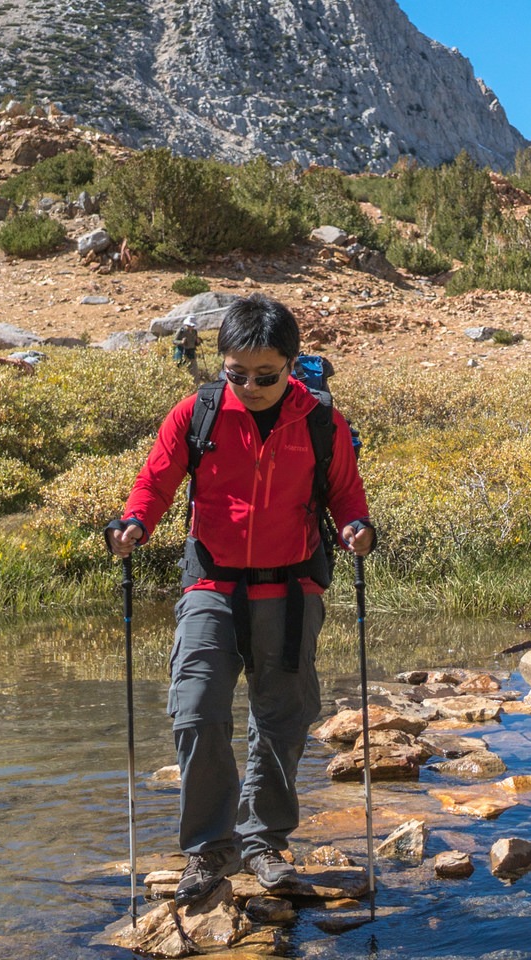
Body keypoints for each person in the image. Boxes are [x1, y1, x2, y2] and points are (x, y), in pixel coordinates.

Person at [107, 294, 374, 905]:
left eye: (265, 375)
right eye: (237, 374)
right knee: (196, 709)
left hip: (292, 587)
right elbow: (156, 480)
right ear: (222, 363)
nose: (250, 387)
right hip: (212, 582)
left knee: (282, 719)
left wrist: (357, 526)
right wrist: (134, 524)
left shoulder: (320, 421)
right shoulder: (197, 413)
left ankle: (264, 844)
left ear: (292, 365)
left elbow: (345, 493)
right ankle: (208, 850)